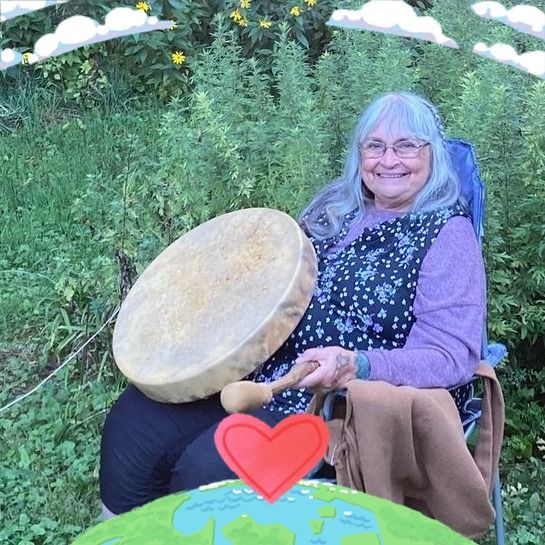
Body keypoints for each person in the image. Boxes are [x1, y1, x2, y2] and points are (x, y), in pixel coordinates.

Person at [99, 91, 485, 517]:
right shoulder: (335, 207)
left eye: (407, 146)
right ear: (359, 156)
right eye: (374, 146)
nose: (388, 160)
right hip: (257, 371)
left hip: (335, 406)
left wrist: (357, 364)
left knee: (206, 469)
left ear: (433, 156)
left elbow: (451, 355)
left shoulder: (447, 234)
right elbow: (270, 276)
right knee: (132, 427)